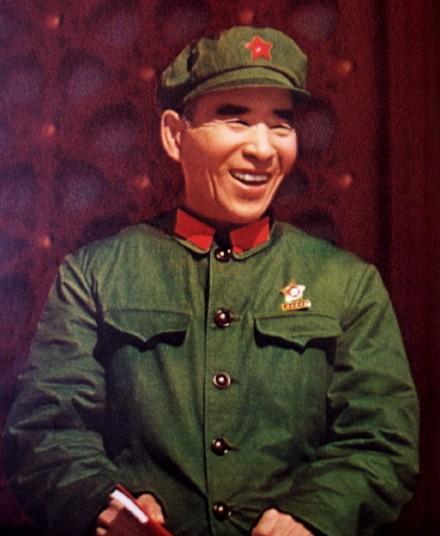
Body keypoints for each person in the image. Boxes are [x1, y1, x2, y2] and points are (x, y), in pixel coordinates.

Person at [4, 26, 419, 536]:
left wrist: (313, 517)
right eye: (235, 119)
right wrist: (105, 503)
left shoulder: (347, 284)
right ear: (175, 135)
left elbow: (381, 440)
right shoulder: (94, 275)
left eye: (281, 124)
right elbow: (46, 430)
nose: (263, 149)